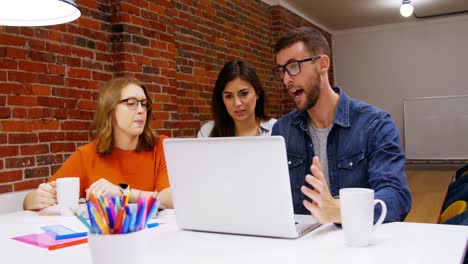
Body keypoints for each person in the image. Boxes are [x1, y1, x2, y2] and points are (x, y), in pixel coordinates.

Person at [271, 27, 411, 224]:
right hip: (301, 248)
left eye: (293, 66)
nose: (286, 79)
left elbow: (397, 196)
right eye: (281, 70)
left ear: (322, 64)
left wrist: (341, 211)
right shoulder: (282, 131)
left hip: (356, 245)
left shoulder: (375, 124)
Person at [23, 77, 173, 211]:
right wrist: (36, 198)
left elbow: (172, 199)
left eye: (144, 104)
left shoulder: (161, 146)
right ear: (110, 109)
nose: (141, 110)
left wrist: (122, 193)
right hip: (106, 238)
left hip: (156, 237)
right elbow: (30, 201)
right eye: (131, 103)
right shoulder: (87, 155)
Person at [198, 60, 276, 137]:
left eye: (244, 93)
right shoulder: (207, 133)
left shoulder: (276, 128)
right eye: (229, 96)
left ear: (257, 93)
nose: (237, 103)